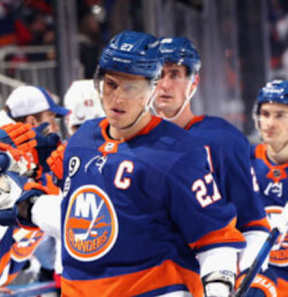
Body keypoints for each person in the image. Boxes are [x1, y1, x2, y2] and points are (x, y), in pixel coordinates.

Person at [49, 30, 245, 297]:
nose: (117, 98)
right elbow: (73, 222)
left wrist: (218, 287)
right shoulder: (81, 140)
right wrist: (25, 202)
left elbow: (214, 236)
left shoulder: (178, 151)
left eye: (131, 87)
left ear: (152, 88)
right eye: (111, 84)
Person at [152, 36, 270, 276]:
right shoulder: (127, 143)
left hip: (202, 280)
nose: (163, 85)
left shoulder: (222, 140)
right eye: (156, 75)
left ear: (193, 82)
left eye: (174, 74)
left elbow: (253, 223)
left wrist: (239, 272)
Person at [250, 80, 288, 297]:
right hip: (256, 283)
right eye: (265, 114)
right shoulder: (244, 163)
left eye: (279, 115)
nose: (269, 123)